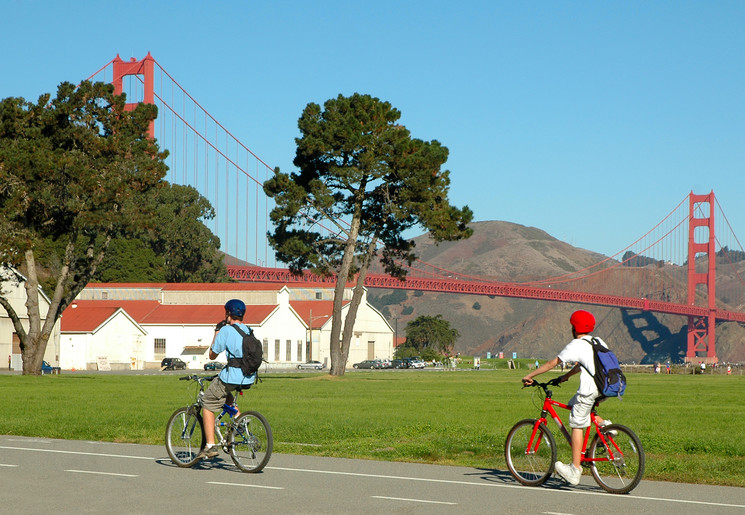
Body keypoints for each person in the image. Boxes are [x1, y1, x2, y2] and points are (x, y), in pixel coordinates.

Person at [521, 309, 612, 486]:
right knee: (574, 404)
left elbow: (552, 363)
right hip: (607, 387)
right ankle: (605, 426)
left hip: (590, 389)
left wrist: (530, 375)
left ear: (574, 327)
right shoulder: (597, 341)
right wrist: (564, 377)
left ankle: (575, 470)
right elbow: (582, 365)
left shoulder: (576, 344)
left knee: (577, 422)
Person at [196, 299, 257, 460]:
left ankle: (210, 445)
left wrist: (217, 332)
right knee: (223, 391)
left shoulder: (225, 330)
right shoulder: (248, 330)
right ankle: (239, 419)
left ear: (228, 314)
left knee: (208, 403)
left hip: (233, 375)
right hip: (249, 376)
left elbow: (212, 355)